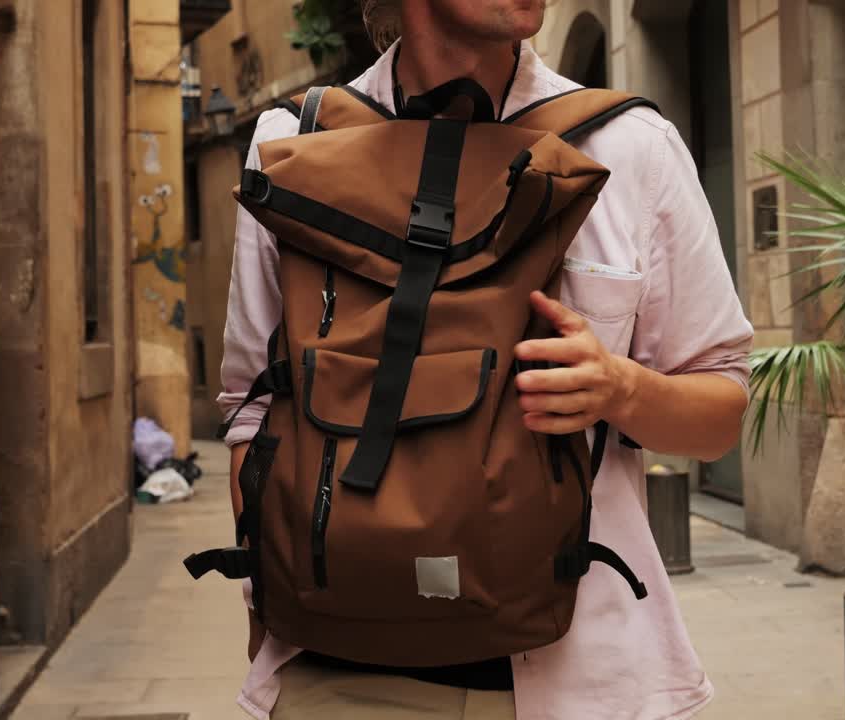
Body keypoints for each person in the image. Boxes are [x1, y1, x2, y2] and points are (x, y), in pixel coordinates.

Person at [217, 1, 754, 717]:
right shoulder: (294, 144)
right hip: (339, 671)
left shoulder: (630, 147)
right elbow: (250, 411)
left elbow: (721, 412)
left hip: (576, 678)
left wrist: (620, 390)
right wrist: (269, 608)